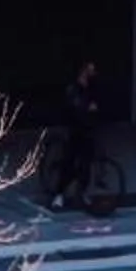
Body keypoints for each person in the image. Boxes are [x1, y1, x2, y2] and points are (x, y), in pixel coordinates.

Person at [53, 59, 104, 210]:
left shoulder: (92, 87)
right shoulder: (73, 88)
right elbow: (73, 107)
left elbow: (97, 103)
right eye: (90, 70)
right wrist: (87, 108)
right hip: (75, 129)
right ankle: (59, 194)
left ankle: (82, 192)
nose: (93, 73)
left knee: (86, 164)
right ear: (83, 71)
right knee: (69, 162)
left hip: (89, 129)